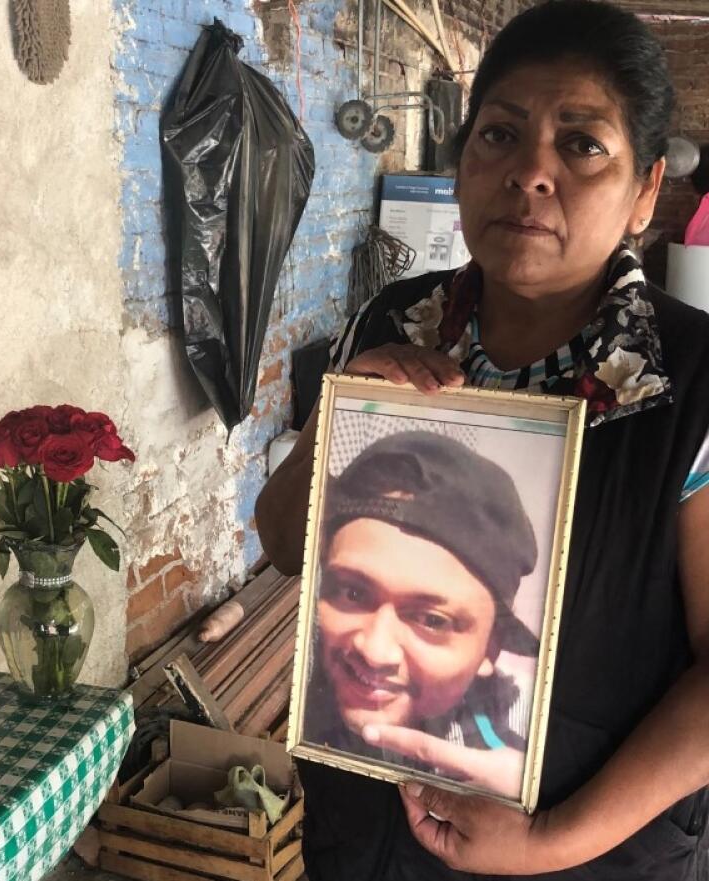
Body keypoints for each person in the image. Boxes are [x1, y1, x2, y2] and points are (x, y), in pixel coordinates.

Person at [256, 2, 709, 877]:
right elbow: (282, 544)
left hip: (594, 850)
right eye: (499, 135)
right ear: (462, 162)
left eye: (582, 145)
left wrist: (550, 840)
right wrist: (342, 416)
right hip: (370, 832)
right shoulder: (393, 322)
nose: (529, 173)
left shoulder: (690, 386)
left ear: (646, 190)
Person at [307, 431, 537, 799]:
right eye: (352, 593)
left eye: (432, 620)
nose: (375, 650)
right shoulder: (300, 682)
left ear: (490, 649)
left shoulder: (530, 741)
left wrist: (533, 811)